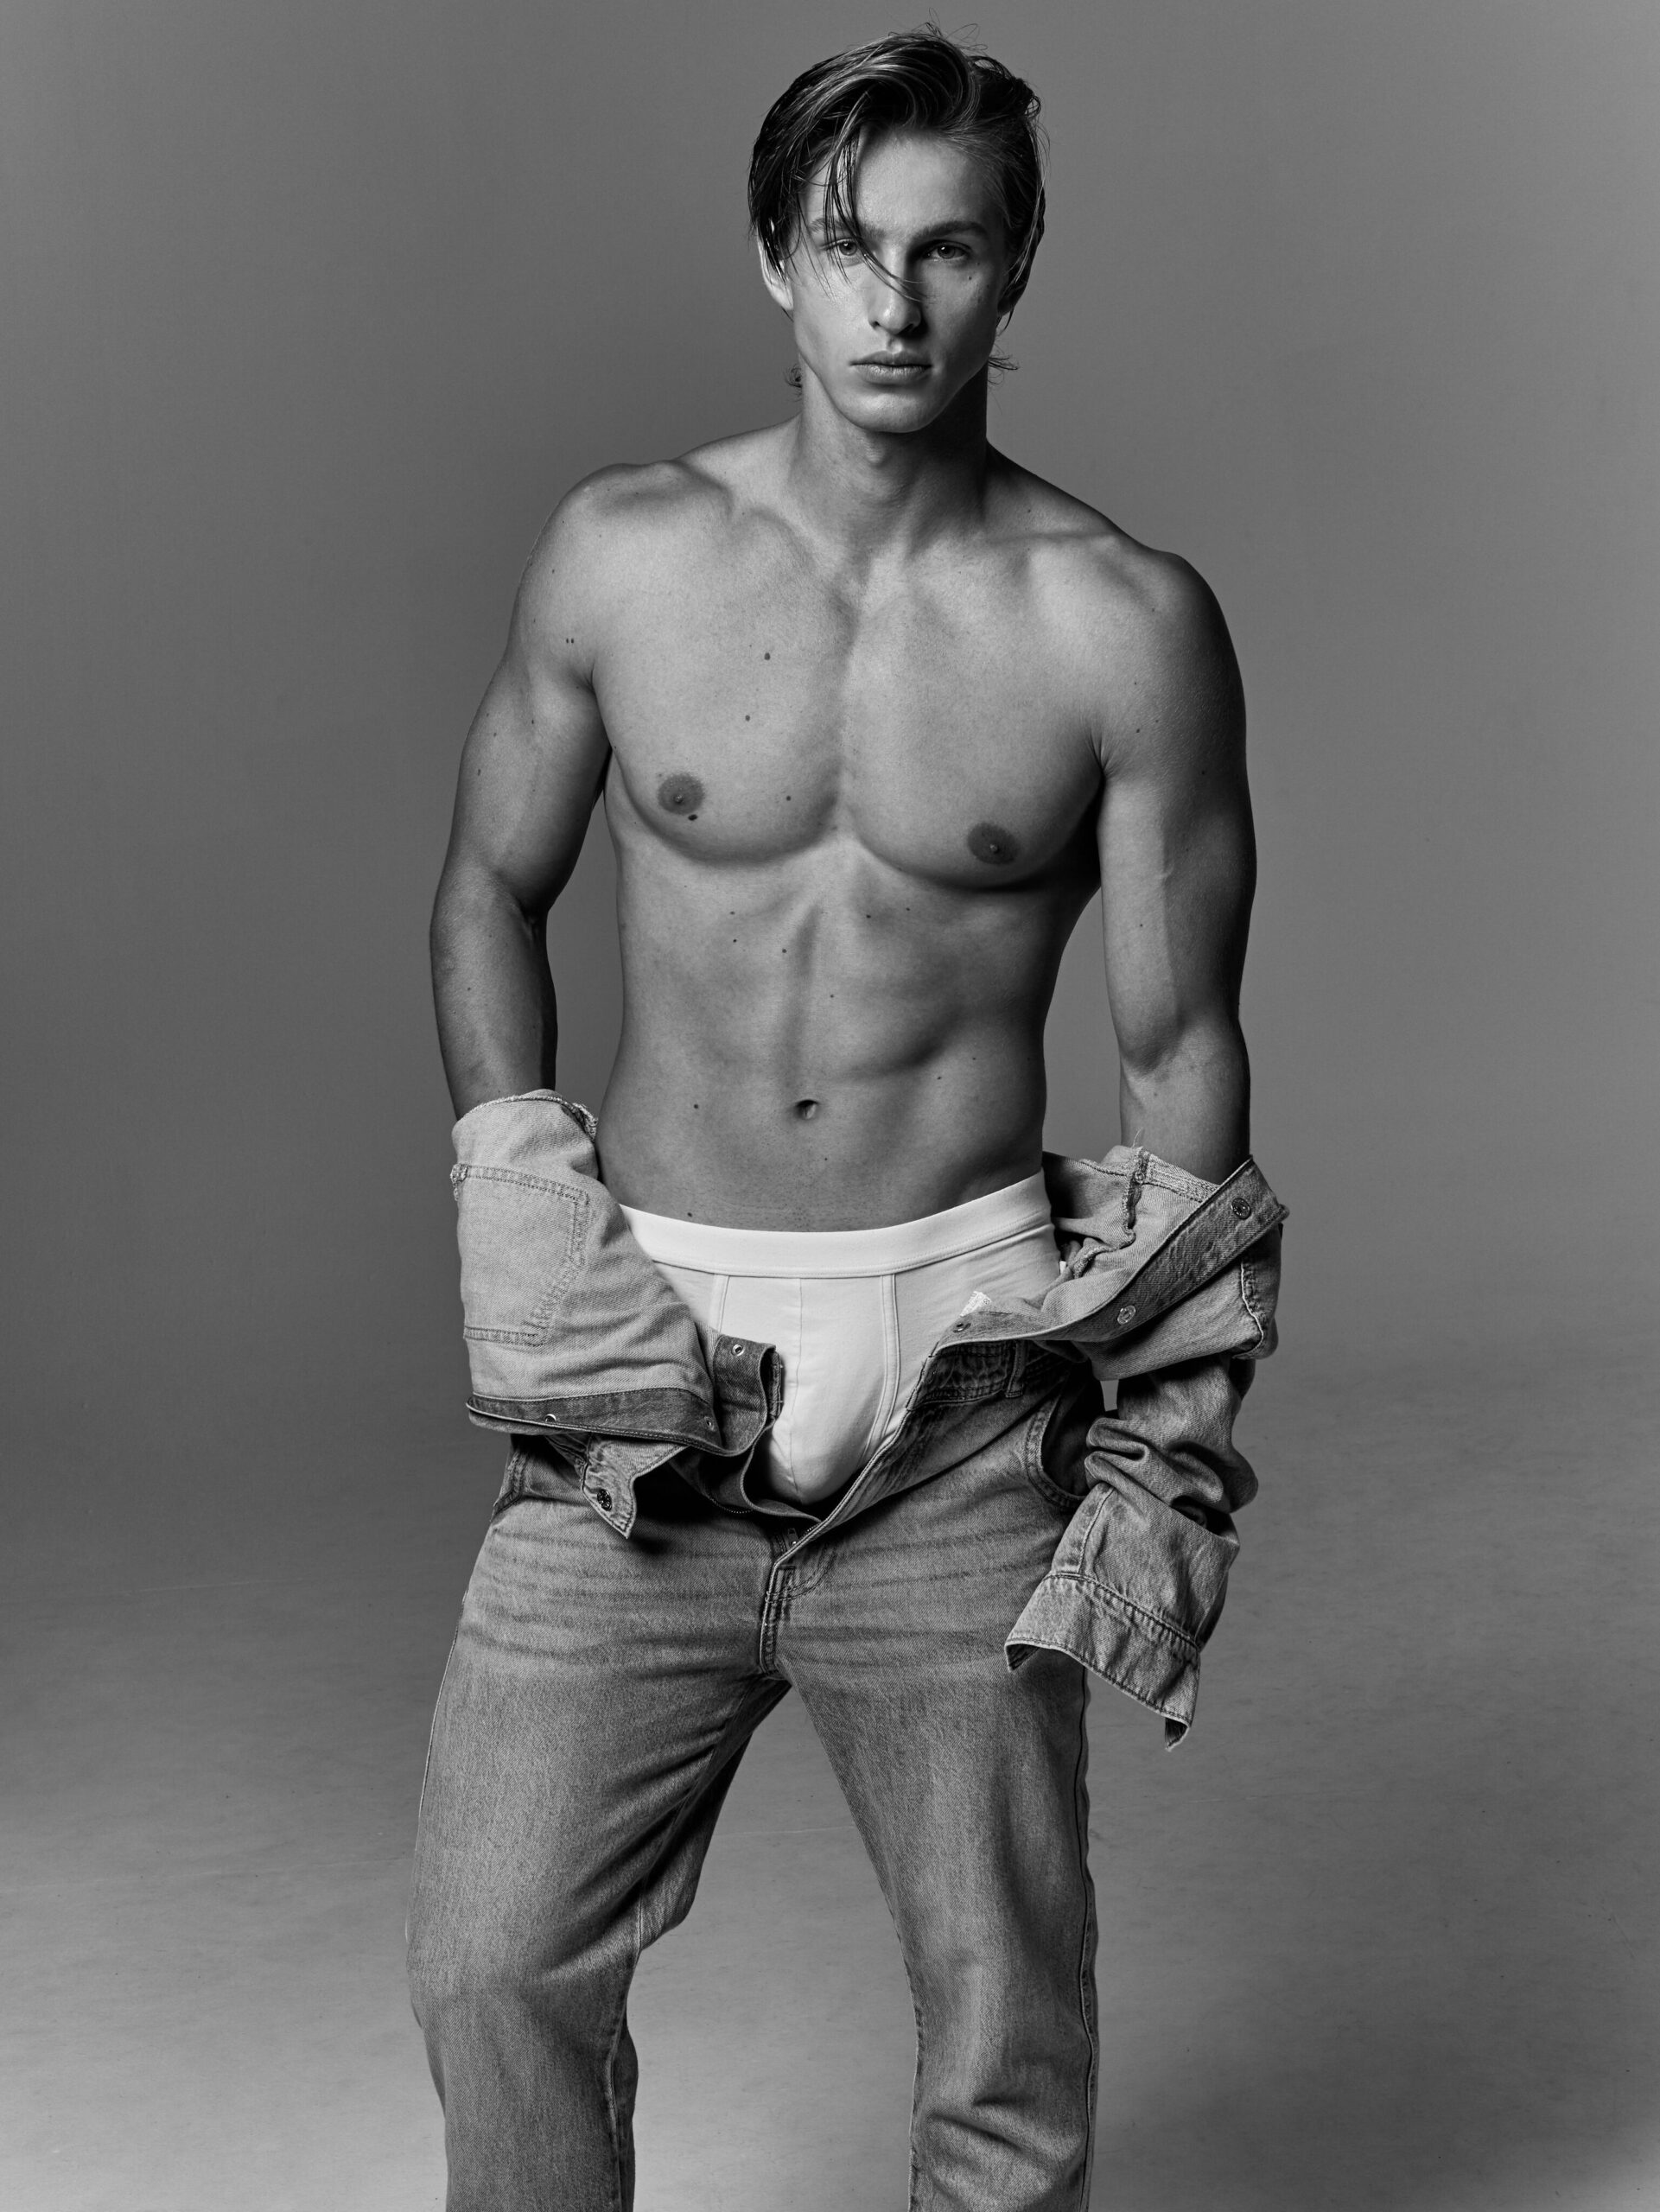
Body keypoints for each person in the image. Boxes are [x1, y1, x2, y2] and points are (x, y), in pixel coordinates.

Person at [408, 28, 1280, 2211]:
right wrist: (517, 1188)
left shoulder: (1122, 622)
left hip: (962, 1411)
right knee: (493, 1960)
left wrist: (1168, 1435)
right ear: (772, 262)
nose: (892, 302)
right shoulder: (622, 553)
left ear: (1015, 268)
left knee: (1005, 2023)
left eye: (946, 249)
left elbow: (1181, 1046)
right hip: (641, 1406)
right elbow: (488, 884)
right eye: (843, 244)